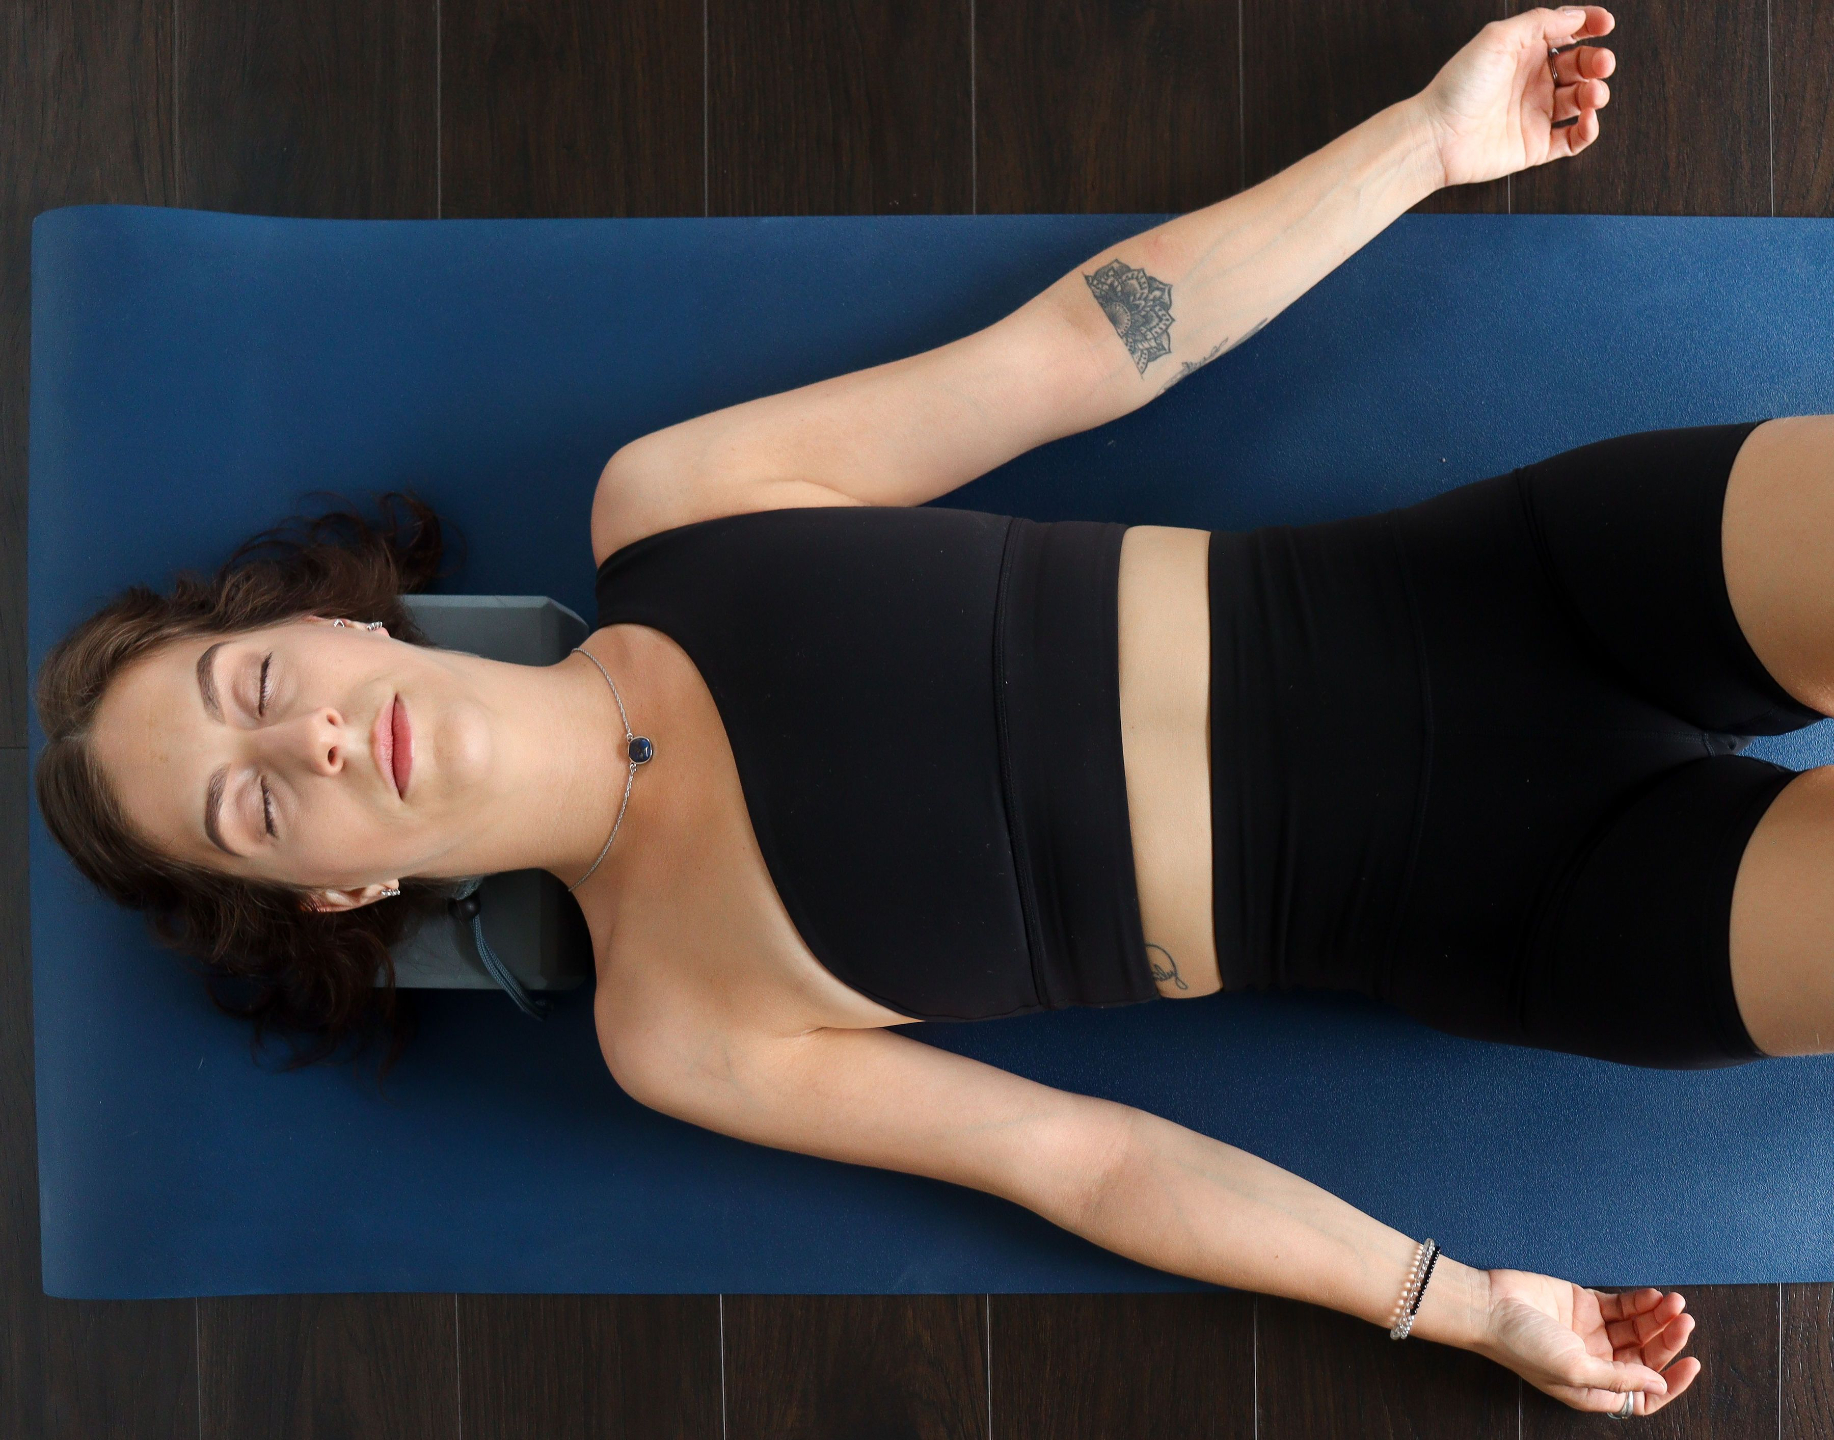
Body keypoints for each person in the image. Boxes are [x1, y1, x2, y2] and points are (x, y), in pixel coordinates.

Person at [49, 3, 1800, 1418]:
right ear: (336, 891)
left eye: (254, 689)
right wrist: (1466, 1305)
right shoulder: (675, 1028)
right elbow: (1087, 1164)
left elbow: (1086, 353)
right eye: (254, 806)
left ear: (329, 630)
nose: (307, 742)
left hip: (1525, 591)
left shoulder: (671, 506)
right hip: (1536, 911)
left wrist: (1423, 139)